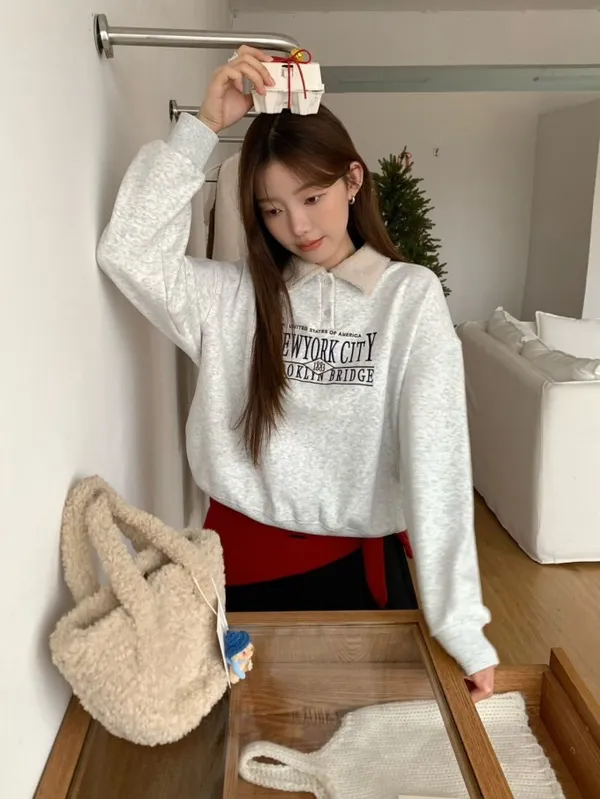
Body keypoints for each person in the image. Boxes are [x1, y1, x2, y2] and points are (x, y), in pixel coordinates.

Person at [96, 46, 498, 701]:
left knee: (370, 744)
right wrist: (203, 126)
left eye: (312, 196)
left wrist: (461, 625)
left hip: (361, 576)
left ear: (353, 180)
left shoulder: (407, 297)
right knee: (253, 743)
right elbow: (128, 253)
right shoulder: (234, 299)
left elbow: (439, 456)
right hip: (240, 572)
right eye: (273, 208)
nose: (298, 226)